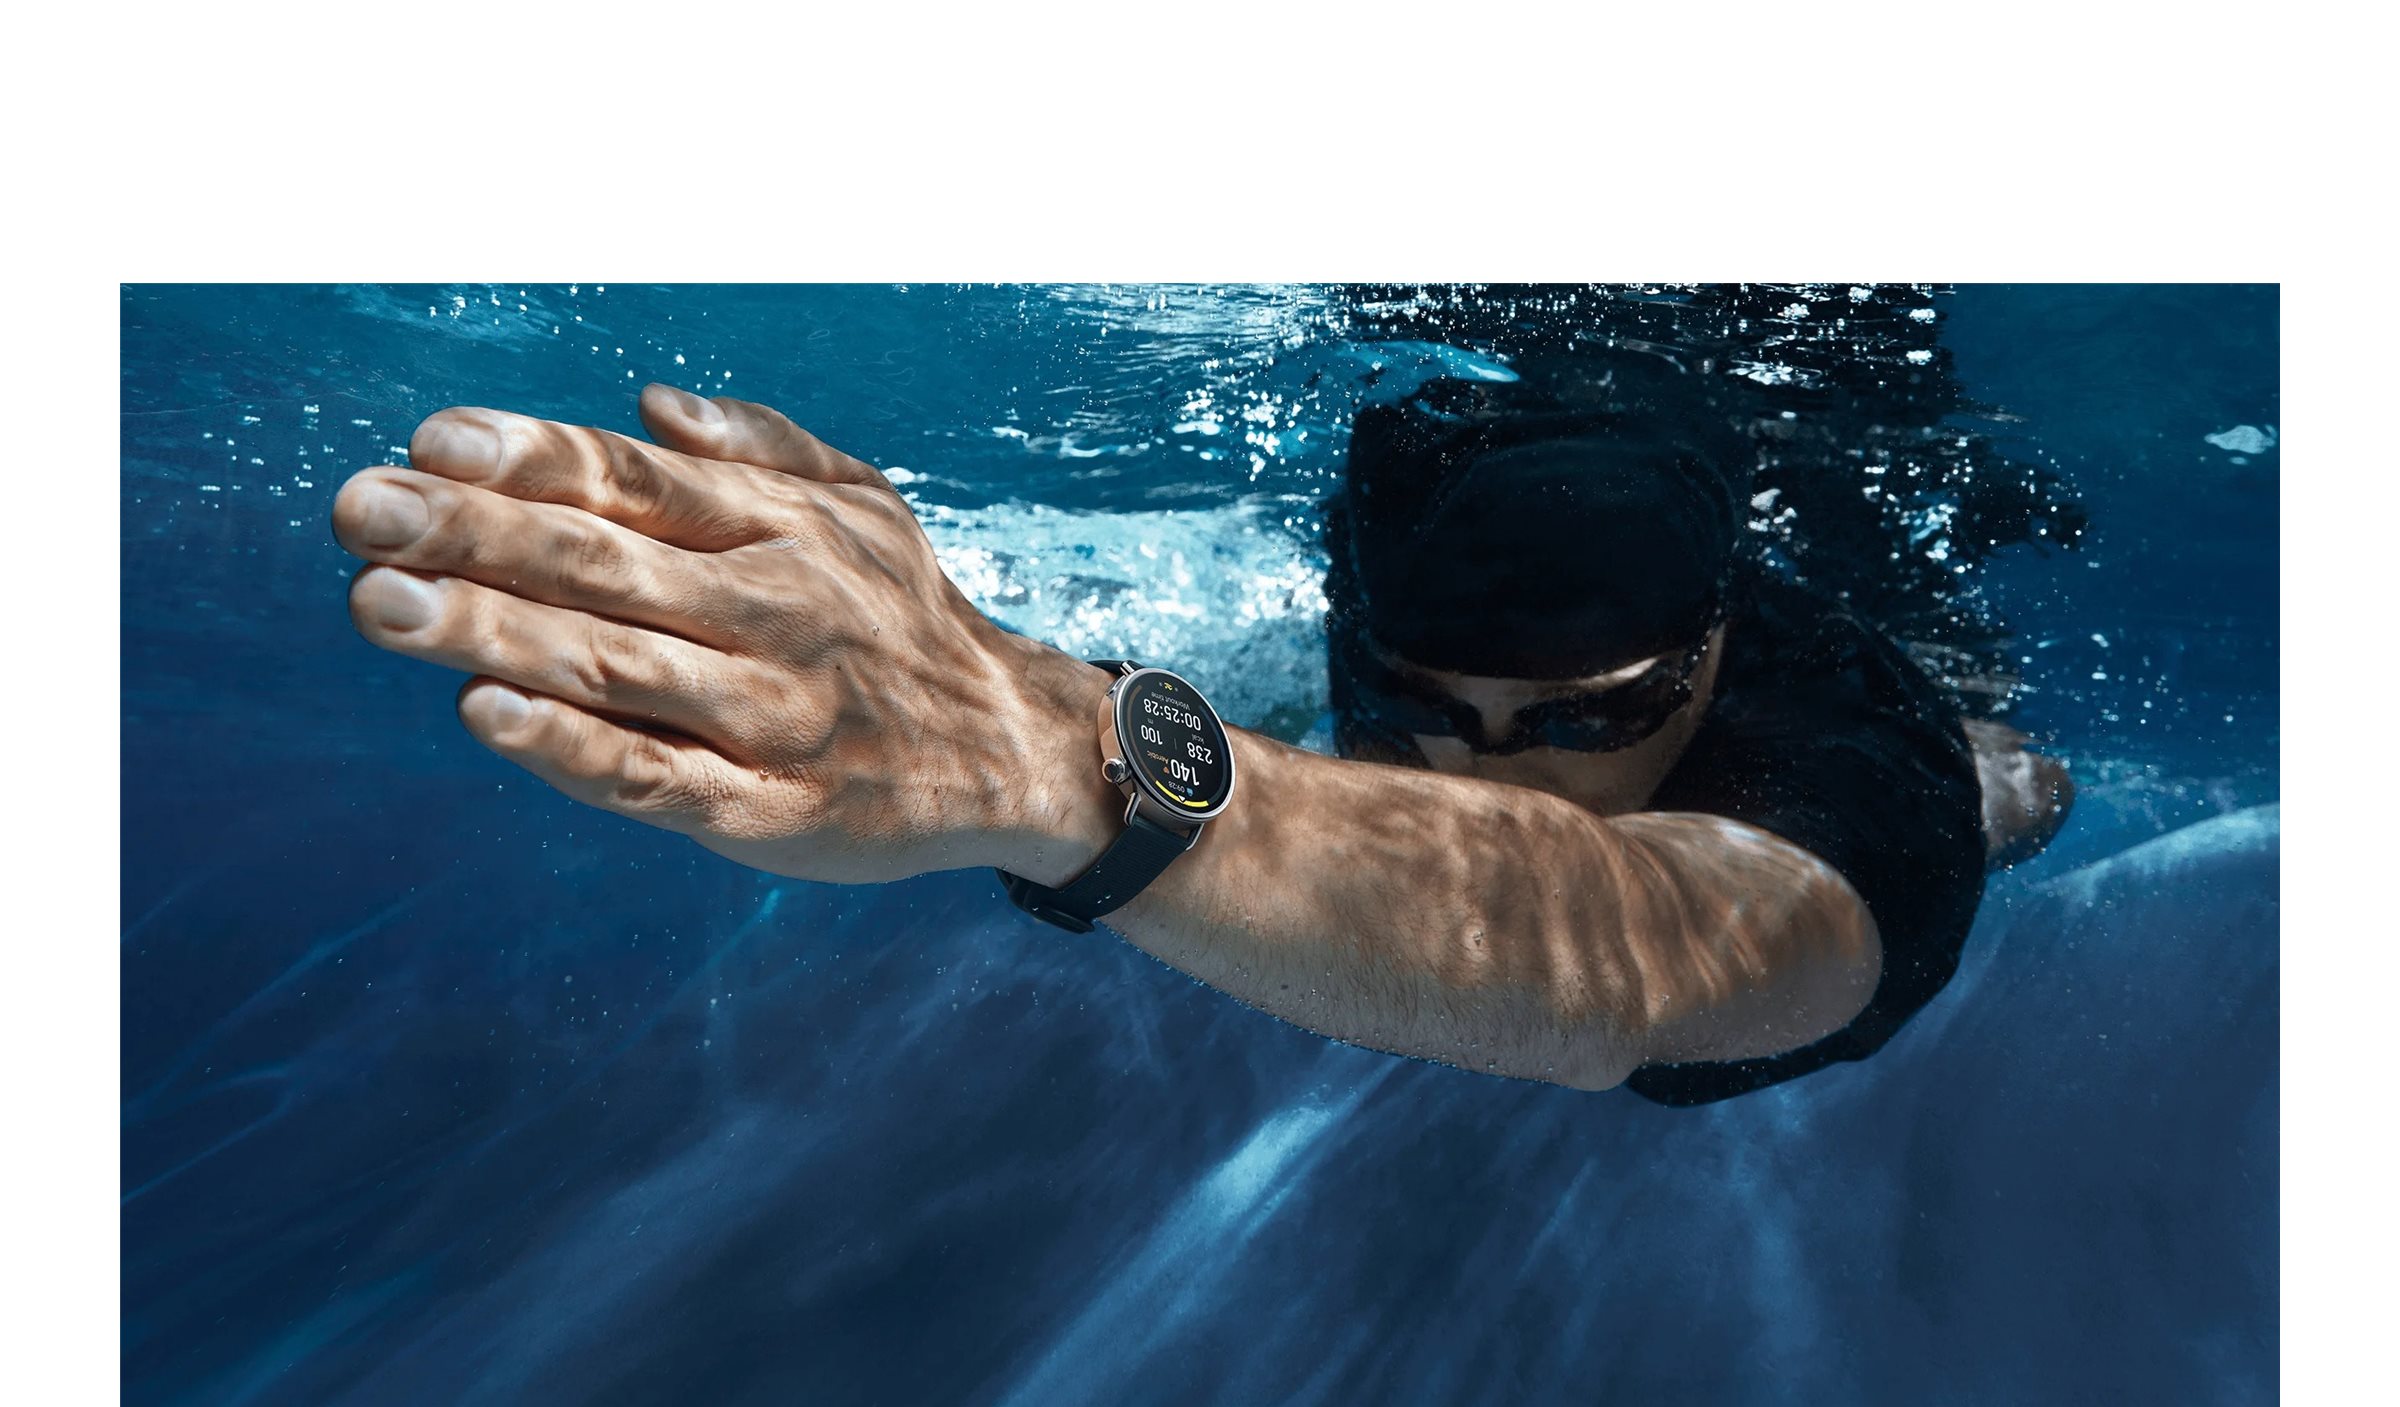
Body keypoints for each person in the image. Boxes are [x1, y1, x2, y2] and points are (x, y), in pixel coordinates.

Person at [332, 372, 2070, 1102]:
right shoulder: (1375, 658)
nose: (1488, 775)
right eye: (1424, 712)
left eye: (1594, 717)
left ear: (1703, 664)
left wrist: (1037, 754)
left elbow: (1633, 952)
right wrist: (944, 645)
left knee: (2002, 785)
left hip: (1891, 694)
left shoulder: (1867, 780)